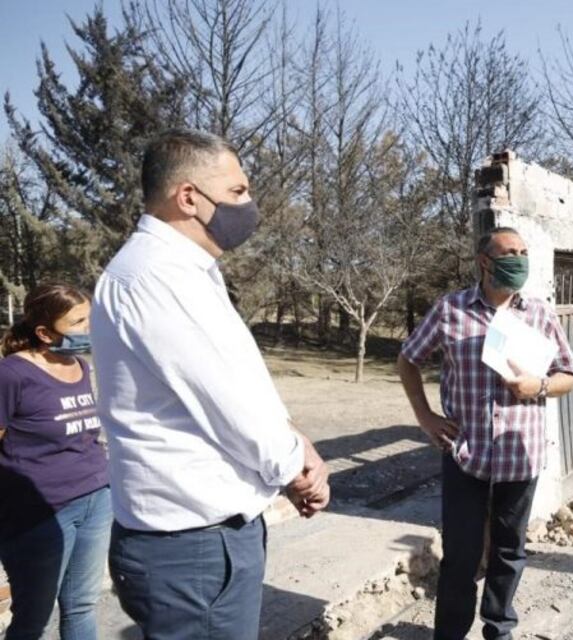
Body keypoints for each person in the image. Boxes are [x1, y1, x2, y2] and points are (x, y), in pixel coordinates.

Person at [90, 128, 329, 640]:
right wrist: (295, 469)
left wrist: (297, 440)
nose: (250, 205)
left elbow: (239, 377)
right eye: (238, 192)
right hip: (192, 546)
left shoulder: (188, 269)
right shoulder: (155, 276)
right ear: (188, 197)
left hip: (202, 541)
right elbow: (227, 405)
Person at [397, 227, 573, 640]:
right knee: (460, 556)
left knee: (509, 552)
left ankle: (499, 628)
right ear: (485, 261)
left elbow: (569, 375)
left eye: (523, 252)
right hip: (465, 453)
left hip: (521, 454)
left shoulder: (540, 313)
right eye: (510, 252)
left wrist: (541, 386)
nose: (519, 259)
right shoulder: (451, 310)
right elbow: (408, 360)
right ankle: (451, 634)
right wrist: (425, 417)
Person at [0, 283, 110, 640]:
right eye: (78, 322)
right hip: (40, 513)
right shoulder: (12, 374)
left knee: (81, 605)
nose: (88, 329)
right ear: (44, 332)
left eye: (88, 319)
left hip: (95, 498)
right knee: (34, 619)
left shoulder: (79, 364)